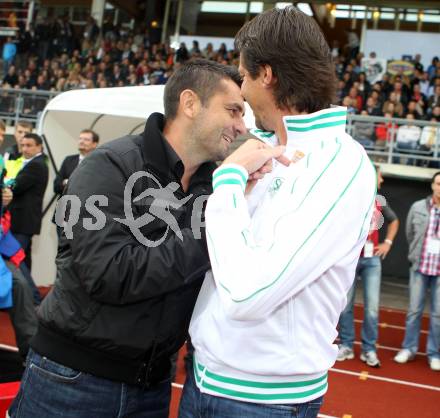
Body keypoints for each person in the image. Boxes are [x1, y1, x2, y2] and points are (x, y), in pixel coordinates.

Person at [9, 59, 252, 418]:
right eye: (232, 110)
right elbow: (108, 273)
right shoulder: (109, 165)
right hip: (72, 381)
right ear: (189, 103)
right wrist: (214, 231)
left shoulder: (215, 185)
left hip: (152, 389)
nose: (240, 125)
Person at [178, 7, 376, 418]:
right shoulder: (259, 149)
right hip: (204, 378)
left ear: (266, 74)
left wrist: (229, 182)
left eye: (245, 77)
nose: (243, 93)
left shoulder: (340, 163)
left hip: (262, 400)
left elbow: (247, 294)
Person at [337, 165, 399, 367]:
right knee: (345, 306)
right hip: (351, 259)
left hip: (371, 260)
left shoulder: (379, 200)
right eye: (379, 176)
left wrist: (387, 243)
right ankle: (346, 345)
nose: (381, 181)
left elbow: (394, 220)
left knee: (372, 308)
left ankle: (369, 349)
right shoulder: (351, 197)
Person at [394, 172, 440, 371]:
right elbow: (409, 233)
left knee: (438, 315)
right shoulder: (418, 207)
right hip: (420, 267)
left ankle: (434, 353)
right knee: (414, 311)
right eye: (438, 183)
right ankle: (409, 348)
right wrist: (414, 254)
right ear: (432, 185)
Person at [8, 133, 49, 272]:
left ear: (39, 147)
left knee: (14, 259)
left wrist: (6, 183)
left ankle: (32, 294)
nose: (25, 149)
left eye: (29, 145)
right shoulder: (35, 163)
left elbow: (17, 186)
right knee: (23, 260)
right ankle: (30, 294)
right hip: (24, 221)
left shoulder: (36, 165)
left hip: (22, 221)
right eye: (23, 145)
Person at [53, 129, 100, 195]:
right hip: (66, 202)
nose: (81, 141)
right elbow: (56, 186)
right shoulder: (68, 160)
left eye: (86, 140)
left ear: (94, 144)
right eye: (80, 139)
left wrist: (67, 182)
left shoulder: (99, 163)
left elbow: (96, 187)